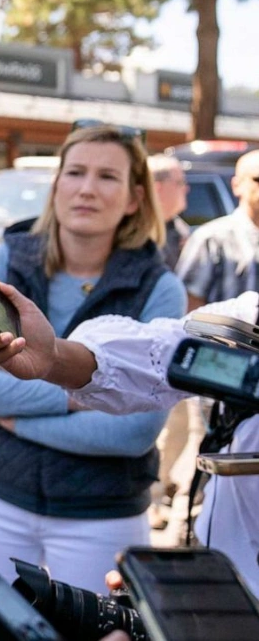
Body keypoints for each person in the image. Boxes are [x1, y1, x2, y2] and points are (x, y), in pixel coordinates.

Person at [0, 122, 186, 641]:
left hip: (103, 516)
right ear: (56, 185)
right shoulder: (10, 258)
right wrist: (80, 402)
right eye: (74, 172)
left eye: (106, 176)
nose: (86, 188)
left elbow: (132, 434)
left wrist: (8, 413)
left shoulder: (159, 287)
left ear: (134, 197)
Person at [0, 288, 259, 595]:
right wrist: (54, 356)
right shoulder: (249, 315)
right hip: (221, 578)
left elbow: (135, 432)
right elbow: (156, 357)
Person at [146, 152, 202, 530]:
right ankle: (149, 496)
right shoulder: (133, 236)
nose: (186, 190)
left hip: (178, 352)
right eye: (180, 183)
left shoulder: (181, 235)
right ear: (159, 187)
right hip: (141, 354)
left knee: (180, 427)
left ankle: (159, 486)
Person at [175, 148, 259, 310]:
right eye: (258, 179)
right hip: (224, 334)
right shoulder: (212, 237)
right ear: (236, 185)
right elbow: (188, 303)